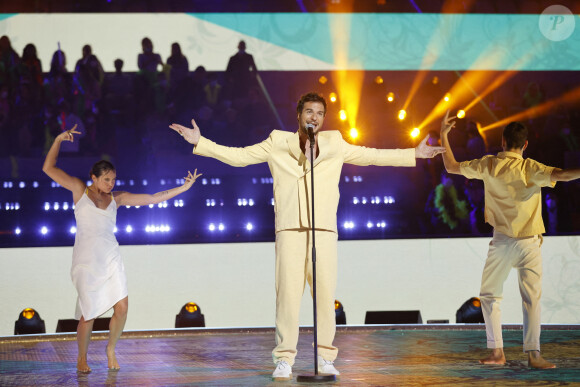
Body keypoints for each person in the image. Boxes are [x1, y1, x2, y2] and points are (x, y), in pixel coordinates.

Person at [169, 92, 445, 380]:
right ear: (298, 114)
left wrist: (414, 153)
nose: (314, 117)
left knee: (324, 295)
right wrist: (201, 142)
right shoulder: (278, 142)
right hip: (290, 227)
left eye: (319, 113)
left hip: (323, 229)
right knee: (287, 295)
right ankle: (284, 359)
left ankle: (325, 356)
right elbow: (240, 157)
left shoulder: (334, 142)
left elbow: (370, 155)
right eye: (309, 111)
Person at [42, 126, 201, 373]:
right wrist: (58, 140)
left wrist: (183, 188)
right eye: (106, 179)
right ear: (93, 177)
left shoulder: (117, 198)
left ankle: (110, 348)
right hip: (85, 259)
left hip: (110, 256)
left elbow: (152, 198)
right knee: (89, 314)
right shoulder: (78, 190)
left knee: (122, 307)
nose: (111, 183)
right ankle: (81, 358)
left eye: (113, 179)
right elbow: (48, 168)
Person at [440, 112, 580, 369]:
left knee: (490, 295)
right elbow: (563, 175)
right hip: (529, 243)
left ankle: (497, 353)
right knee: (532, 299)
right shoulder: (531, 168)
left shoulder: (489, 164)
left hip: (503, 241)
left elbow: (450, 166)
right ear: (525, 145)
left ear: (502, 141)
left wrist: (443, 135)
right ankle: (534, 355)